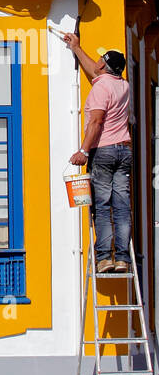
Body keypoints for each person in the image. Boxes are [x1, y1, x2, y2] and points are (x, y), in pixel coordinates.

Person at [64, 33, 132, 275]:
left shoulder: (100, 89)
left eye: (101, 60)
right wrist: (77, 48)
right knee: (122, 206)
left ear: (103, 64)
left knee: (102, 206)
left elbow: (96, 122)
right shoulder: (122, 85)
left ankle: (104, 258)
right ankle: (123, 258)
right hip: (124, 151)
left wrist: (83, 150)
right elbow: (96, 71)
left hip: (103, 152)